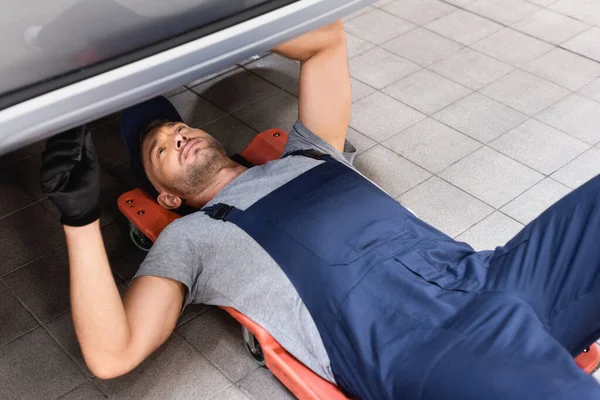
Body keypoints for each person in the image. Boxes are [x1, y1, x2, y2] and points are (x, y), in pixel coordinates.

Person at [39, 20, 600, 400]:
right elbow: (113, 354)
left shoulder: (307, 150)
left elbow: (326, 41)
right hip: (424, 351)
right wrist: (80, 220)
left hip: (489, 276)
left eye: (180, 126)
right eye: (161, 148)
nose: (179, 136)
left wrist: (198, 24)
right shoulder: (188, 241)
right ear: (166, 197)